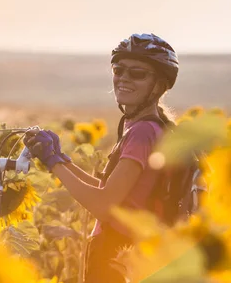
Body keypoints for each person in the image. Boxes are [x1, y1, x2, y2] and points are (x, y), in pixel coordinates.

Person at [24, 33, 179, 283]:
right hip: (127, 253)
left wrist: (54, 163)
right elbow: (111, 192)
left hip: (116, 256)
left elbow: (103, 205)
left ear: (159, 85)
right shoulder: (151, 128)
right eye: (119, 70)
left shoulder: (143, 132)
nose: (124, 78)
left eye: (138, 73)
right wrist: (62, 160)